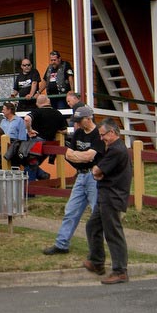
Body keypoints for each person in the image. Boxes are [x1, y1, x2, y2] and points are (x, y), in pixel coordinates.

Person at [42, 105, 102, 255]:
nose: (77, 123)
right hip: (80, 175)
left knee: (97, 213)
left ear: (89, 118)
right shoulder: (78, 133)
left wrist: (79, 156)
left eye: (80, 120)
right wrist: (81, 156)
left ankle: (99, 248)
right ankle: (61, 244)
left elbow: (89, 156)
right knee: (71, 210)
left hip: (94, 177)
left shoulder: (98, 134)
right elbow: (68, 154)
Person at [84, 118, 132, 284]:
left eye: (103, 134)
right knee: (92, 226)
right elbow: (99, 171)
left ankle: (120, 271)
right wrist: (98, 172)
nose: (101, 138)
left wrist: (97, 171)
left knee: (113, 233)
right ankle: (97, 261)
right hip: (106, 195)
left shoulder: (116, 150)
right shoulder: (113, 149)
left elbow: (97, 170)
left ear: (112, 132)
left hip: (112, 196)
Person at [24, 94, 67, 182]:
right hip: (51, 145)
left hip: (37, 143)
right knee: (32, 164)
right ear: (49, 102)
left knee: (30, 163)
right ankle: (43, 175)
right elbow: (64, 130)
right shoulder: (58, 113)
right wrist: (56, 130)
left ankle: (31, 188)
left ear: (37, 103)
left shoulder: (37, 112)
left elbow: (27, 119)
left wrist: (29, 130)